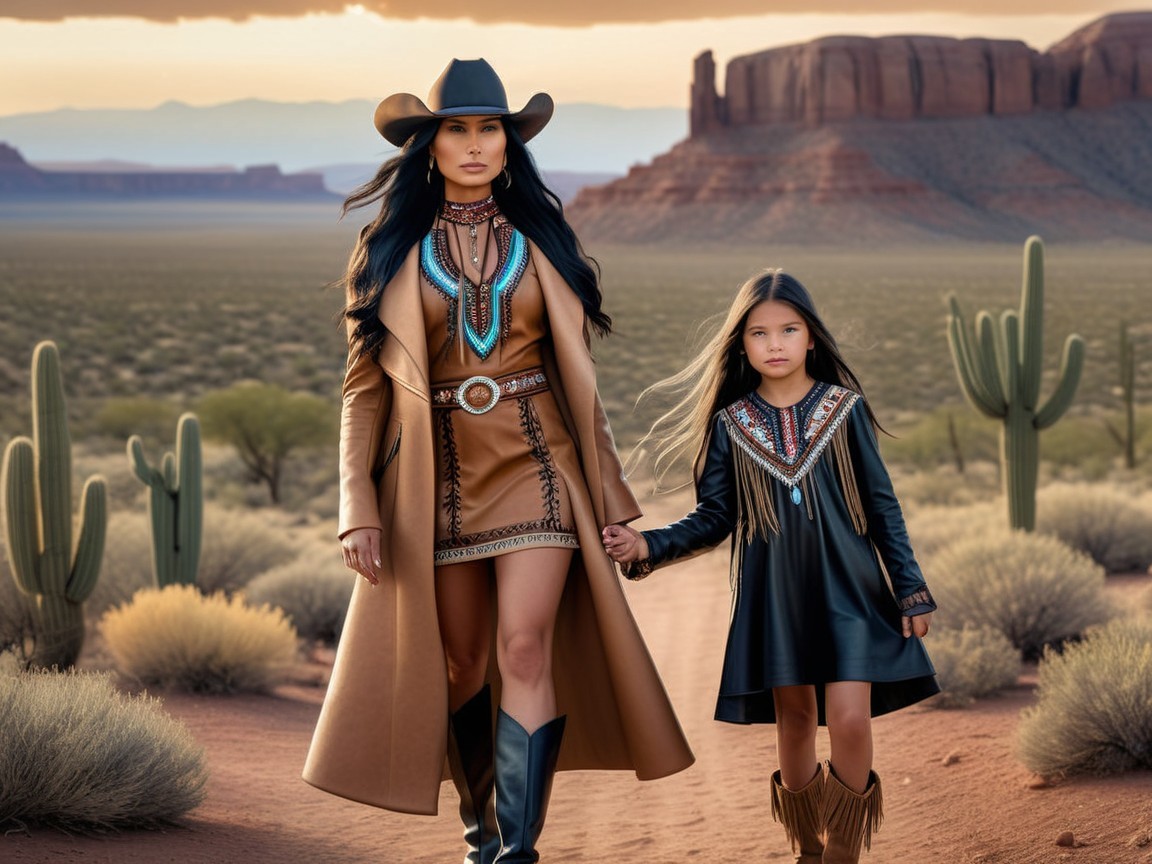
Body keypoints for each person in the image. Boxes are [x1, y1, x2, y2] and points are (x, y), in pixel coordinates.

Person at [302, 58, 693, 864]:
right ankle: (482, 834)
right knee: (461, 660)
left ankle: (519, 848)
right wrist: (357, 507)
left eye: (491, 130)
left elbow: (581, 386)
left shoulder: (543, 241)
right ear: (431, 146)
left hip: (536, 465)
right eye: (459, 129)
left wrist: (614, 498)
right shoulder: (386, 250)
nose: (476, 145)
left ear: (510, 146)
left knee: (524, 647)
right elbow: (362, 393)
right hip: (431, 478)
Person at [602, 269, 937, 864]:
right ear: (742, 345)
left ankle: (842, 855)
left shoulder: (845, 410)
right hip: (776, 598)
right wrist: (648, 546)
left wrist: (909, 589)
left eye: (789, 329)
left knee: (852, 720)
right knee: (796, 719)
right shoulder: (731, 426)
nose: (775, 343)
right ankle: (808, 848)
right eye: (759, 333)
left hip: (852, 591)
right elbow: (713, 518)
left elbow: (883, 505)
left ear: (812, 338)